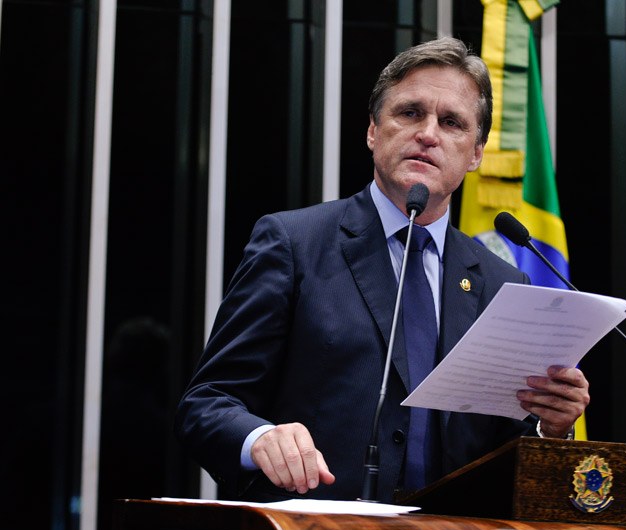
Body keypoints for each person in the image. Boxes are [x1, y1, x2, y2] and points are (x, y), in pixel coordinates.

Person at [174, 36, 590, 503]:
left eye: (451, 122)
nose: (428, 134)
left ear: (476, 153)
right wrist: (260, 439)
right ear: (373, 131)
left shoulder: (502, 284)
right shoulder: (294, 244)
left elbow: (502, 451)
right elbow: (206, 404)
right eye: (410, 113)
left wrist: (550, 428)